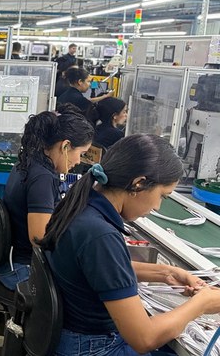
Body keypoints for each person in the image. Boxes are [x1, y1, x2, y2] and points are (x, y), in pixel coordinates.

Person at [40, 135, 220, 356]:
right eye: (162, 196)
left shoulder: (82, 204)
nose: (157, 208)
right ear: (138, 183)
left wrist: (166, 273)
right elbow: (144, 338)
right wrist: (200, 305)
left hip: (70, 340)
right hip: (93, 349)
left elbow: (95, 268)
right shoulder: (100, 235)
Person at [0, 105, 94, 290]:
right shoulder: (42, 177)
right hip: (21, 269)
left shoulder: (29, 160)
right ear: (65, 146)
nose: (79, 162)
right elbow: (39, 238)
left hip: (10, 262)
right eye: (80, 154)